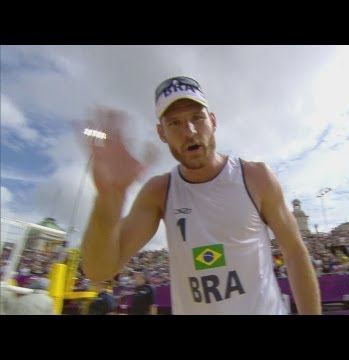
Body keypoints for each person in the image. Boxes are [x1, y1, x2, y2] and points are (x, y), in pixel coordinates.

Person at [81, 76, 321, 315]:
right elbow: (98, 271)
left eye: (197, 117)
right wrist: (108, 201)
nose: (190, 131)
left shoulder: (256, 177)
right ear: (161, 133)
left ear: (213, 121)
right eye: (174, 123)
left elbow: (294, 252)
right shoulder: (159, 192)